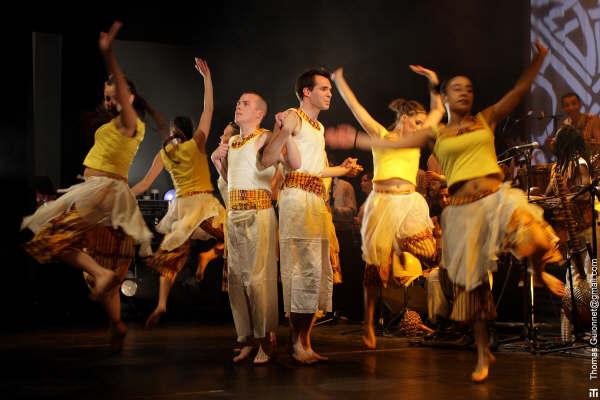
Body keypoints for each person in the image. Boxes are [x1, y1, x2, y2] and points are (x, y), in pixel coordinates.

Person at [326, 40, 565, 382]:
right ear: (447, 99)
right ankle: (482, 353)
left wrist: (538, 60)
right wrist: (354, 138)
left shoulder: (486, 119)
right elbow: (388, 140)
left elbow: (518, 90)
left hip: (491, 198)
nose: (465, 93)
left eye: (469, 88)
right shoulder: (434, 132)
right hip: (453, 209)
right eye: (457, 89)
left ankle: (539, 271)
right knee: (474, 284)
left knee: (537, 235)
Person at [21, 21, 153, 352]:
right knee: (100, 266)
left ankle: (101, 276)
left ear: (128, 96)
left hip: (103, 190)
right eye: (106, 98)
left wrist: (109, 54)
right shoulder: (113, 125)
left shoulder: (130, 123)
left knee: (49, 237)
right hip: (101, 191)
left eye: (115, 97)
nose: (110, 102)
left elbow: (121, 88)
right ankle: (117, 324)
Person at [328, 65, 443, 348]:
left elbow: (438, 111)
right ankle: (368, 325)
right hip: (382, 203)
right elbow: (356, 109)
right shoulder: (380, 134)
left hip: (409, 202)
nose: (421, 130)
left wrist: (433, 82)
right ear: (403, 118)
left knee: (429, 252)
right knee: (373, 270)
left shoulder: (415, 138)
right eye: (417, 123)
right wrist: (339, 80)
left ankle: (400, 261)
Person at [260, 68, 362, 364]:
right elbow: (278, 156)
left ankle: (305, 340)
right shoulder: (294, 115)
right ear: (307, 92)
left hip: (317, 201)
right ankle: (296, 342)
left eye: (330, 89)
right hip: (297, 199)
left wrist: (342, 169)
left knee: (316, 272)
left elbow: (315, 168)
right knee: (301, 269)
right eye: (324, 89)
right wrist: (279, 133)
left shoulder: (317, 128)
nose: (329, 94)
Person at [132, 58, 225, 328]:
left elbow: (144, 184)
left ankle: (161, 304)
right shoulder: (197, 143)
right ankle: (210, 257)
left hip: (181, 208)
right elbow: (208, 109)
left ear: (174, 132)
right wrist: (207, 79)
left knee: (171, 257)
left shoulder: (164, 152)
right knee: (234, 235)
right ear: (188, 129)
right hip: (203, 204)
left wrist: (123, 194)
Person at [210, 92, 282, 364]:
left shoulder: (265, 137)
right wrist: (217, 162)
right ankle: (248, 339)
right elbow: (231, 180)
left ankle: (266, 337)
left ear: (259, 113)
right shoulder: (235, 141)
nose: (239, 106)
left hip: (259, 213)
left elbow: (274, 166)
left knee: (258, 280)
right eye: (238, 102)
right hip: (235, 214)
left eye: (245, 103)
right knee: (238, 280)